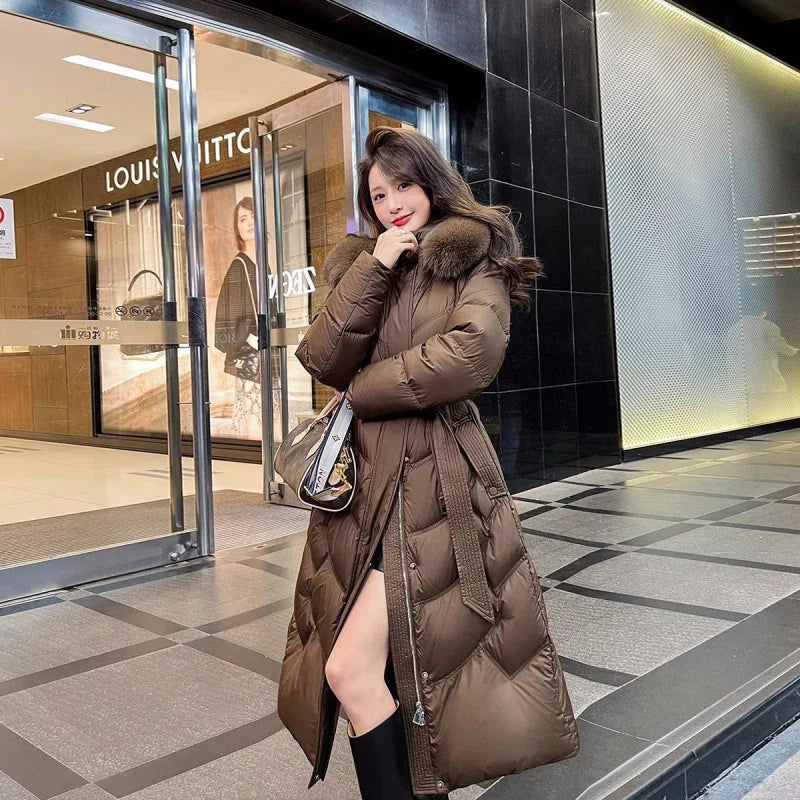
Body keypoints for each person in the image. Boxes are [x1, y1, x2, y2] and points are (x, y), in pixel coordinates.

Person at [277, 127, 579, 800]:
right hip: (363, 495)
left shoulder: (475, 255)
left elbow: (470, 355)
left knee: (356, 670)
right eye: (377, 194)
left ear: (431, 182)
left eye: (403, 186)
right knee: (379, 674)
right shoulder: (366, 262)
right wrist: (374, 267)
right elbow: (322, 357)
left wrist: (359, 393)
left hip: (435, 486)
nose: (392, 203)